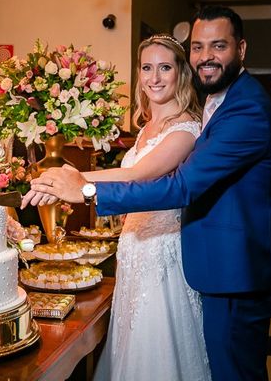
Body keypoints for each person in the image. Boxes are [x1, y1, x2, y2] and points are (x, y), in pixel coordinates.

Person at [23, 5, 271, 381]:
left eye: (218, 46)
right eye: (198, 47)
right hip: (203, 262)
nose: (206, 57)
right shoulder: (220, 101)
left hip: (236, 271)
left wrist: (82, 187)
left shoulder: (248, 110)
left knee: (231, 372)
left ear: (241, 49)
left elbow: (180, 186)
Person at [86, 34, 209, 380]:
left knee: (155, 344)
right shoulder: (144, 129)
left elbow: (136, 175)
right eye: (147, 68)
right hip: (132, 249)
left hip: (161, 253)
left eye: (165, 67)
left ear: (181, 74)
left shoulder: (186, 128)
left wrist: (74, 178)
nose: (154, 78)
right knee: (129, 340)